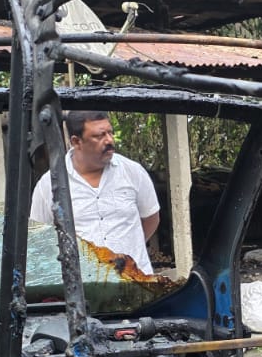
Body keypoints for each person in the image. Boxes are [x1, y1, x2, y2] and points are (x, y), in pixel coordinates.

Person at [29, 110, 162, 275]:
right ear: (76, 142)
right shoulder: (50, 184)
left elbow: (151, 218)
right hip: (82, 284)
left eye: (110, 133)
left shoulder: (132, 172)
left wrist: (130, 248)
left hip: (137, 279)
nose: (109, 140)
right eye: (99, 136)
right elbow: (38, 237)